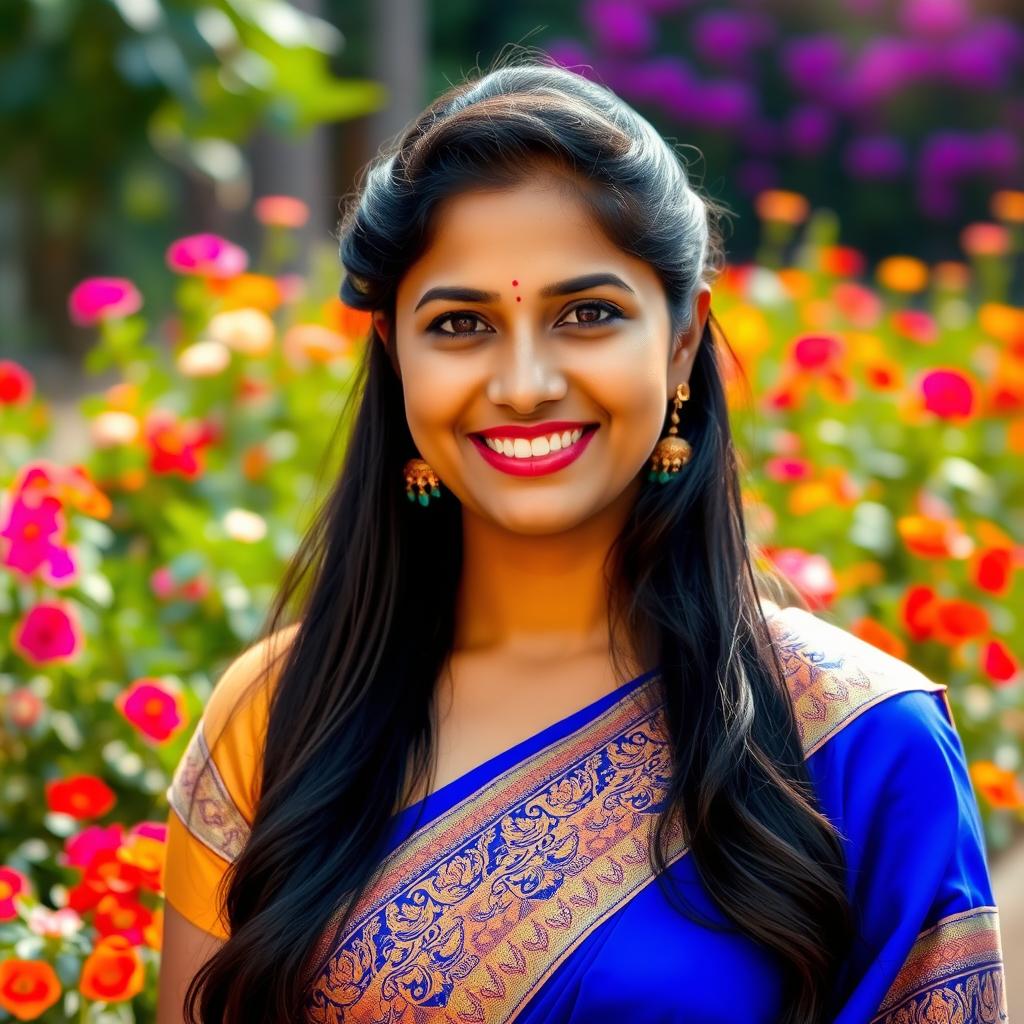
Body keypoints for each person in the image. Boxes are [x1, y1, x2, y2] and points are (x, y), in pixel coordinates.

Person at [157, 54, 1008, 1024]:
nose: (523, 382)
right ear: (395, 357)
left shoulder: (858, 742)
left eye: (588, 314)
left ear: (682, 338)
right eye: (460, 323)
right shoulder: (279, 716)